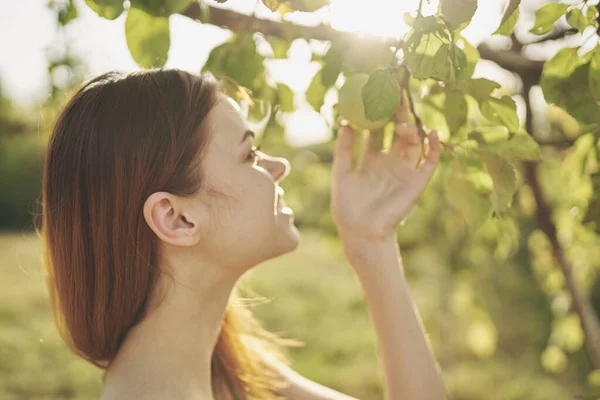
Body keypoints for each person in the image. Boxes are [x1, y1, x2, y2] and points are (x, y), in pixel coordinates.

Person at [38, 68, 446, 400]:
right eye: (249, 154)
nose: (279, 166)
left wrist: (370, 241)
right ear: (176, 218)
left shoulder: (222, 368)